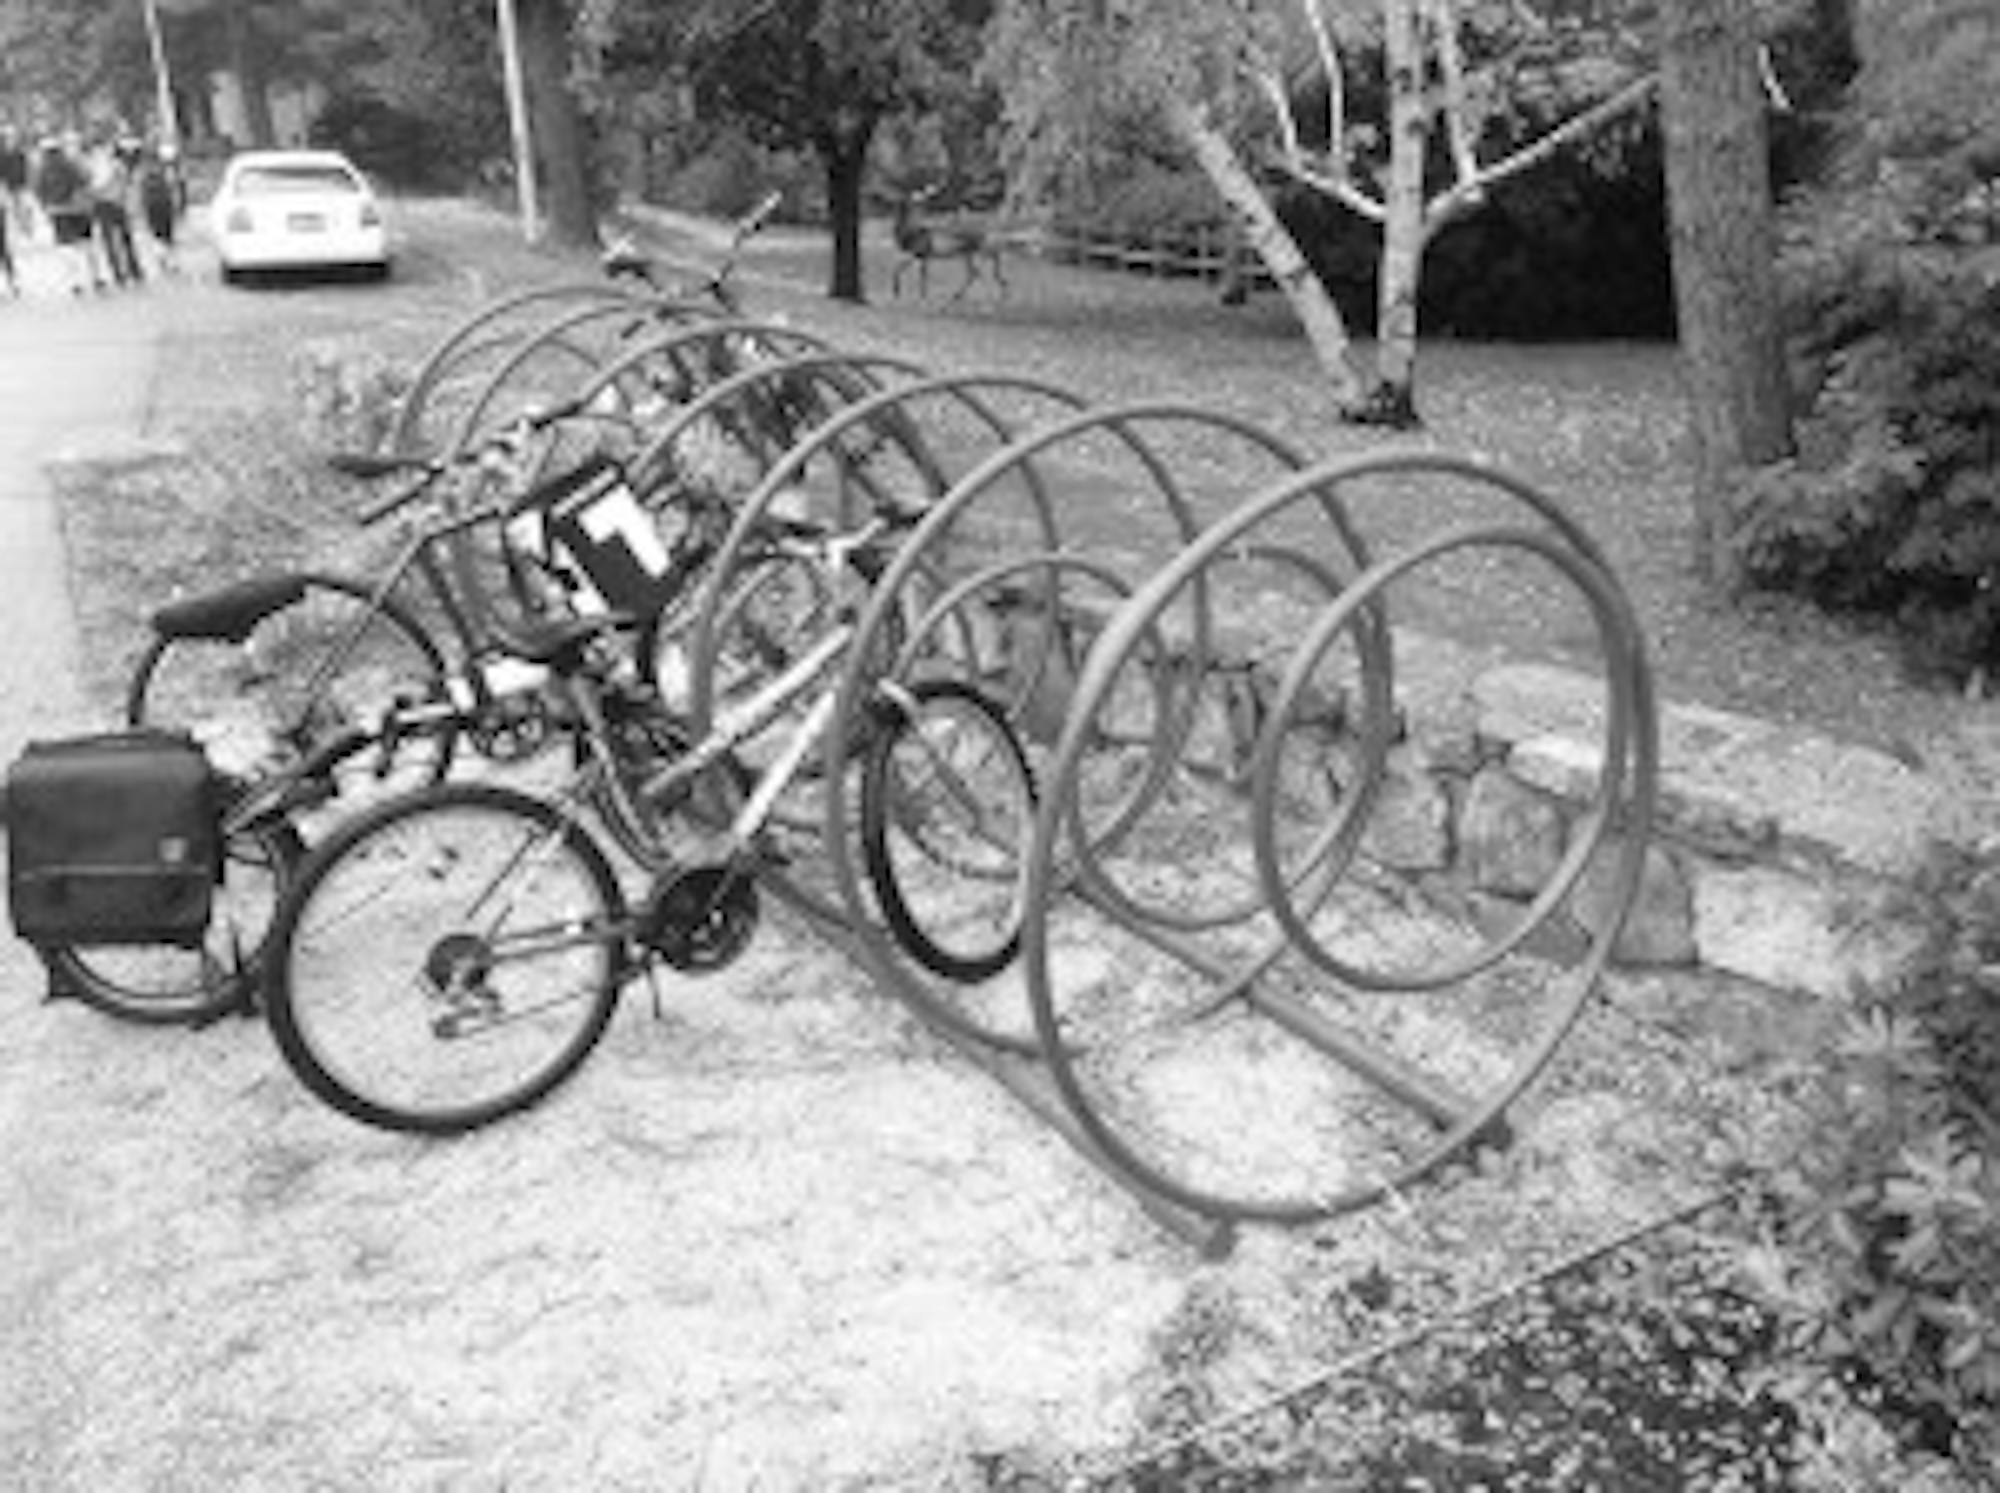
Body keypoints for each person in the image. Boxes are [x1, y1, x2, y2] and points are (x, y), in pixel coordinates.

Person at [33, 133, 101, 296]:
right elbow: (84, 180)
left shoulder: (42, 169)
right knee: (87, 244)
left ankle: (75, 282)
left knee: (66, 248)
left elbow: (38, 190)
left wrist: (45, 207)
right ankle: (95, 277)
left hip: (58, 212)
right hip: (78, 208)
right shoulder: (70, 164)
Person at [87, 134, 143, 288]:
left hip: (105, 204)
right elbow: (125, 181)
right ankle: (133, 271)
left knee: (112, 241)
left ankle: (120, 273)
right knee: (124, 239)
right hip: (116, 203)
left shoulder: (93, 164)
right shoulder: (114, 164)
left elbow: (94, 185)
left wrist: (94, 191)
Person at [136, 139, 186, 276]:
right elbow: (174, 185)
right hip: (163, 204)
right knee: (166, 234)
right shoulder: (163, 170)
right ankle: (169, 261)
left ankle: (164, 260)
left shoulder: (144, 171)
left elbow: (141, 191)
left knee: (158, 234)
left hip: (153, 205)